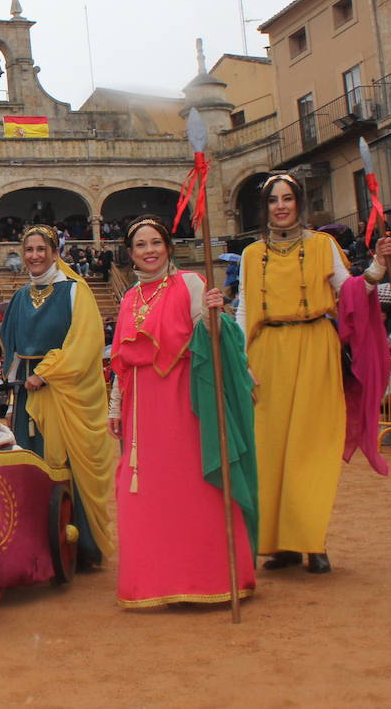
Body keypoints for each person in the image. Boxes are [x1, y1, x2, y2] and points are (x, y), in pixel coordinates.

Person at [235, 173, 391, 574]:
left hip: (315, 349)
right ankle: (280, 545)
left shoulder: (324, 245)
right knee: (269, 451)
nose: (281, 206)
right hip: (266, 353)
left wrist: (377, 266)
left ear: (299, 203)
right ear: (265, 207)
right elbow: (243, 309)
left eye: (288, 199)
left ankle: (312, 541)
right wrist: (241, 360)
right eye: (273, 200)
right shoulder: (252, 254)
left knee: (310, 449)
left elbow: (354, 292)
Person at [109, 216, 258, 608]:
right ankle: (153, 582)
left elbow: (212, 336)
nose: (149, 251)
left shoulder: (189, 284)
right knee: (142, 494)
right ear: (131, 254)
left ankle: (208, 578)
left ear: (168, 246)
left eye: (155, 242)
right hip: (140, 411)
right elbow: (121, 361)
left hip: (182, 404)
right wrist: (115, 407)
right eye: (140, 245)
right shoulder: (127, 298)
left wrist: (214, 314)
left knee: (191, 488)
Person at [0, 224, 116, 569]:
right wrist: (23, 378)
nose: (35, 256)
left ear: (54, 252)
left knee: (65, 467)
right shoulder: (20, 296)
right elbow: (11, 345)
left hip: (63, 394)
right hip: (27, 398)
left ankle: (77, 546)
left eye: (41, 249)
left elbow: (85, 344)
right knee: (31, 466)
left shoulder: (75, 291)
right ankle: (38, 546)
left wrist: (46, 373)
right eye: (29, 250)